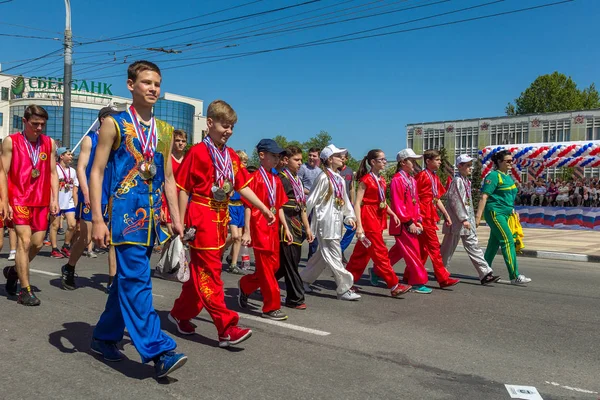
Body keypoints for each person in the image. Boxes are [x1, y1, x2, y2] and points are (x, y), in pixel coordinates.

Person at [90, 60, 186, 377]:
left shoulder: (165, 131)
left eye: (157, 83)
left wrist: (176, 217)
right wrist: (97, 218)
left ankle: (104, 337)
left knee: (126, 281)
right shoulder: (114, 124)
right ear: (131, 85)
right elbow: (97, 170)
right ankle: (158, 350)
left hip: (153, 219)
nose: (153, 88)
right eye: (146, 82)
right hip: (125, 214)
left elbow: (169, 178)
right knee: (138, 281)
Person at [170, 101, 273, 345]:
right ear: (210, 123)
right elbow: (182, 189)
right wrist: (181, 223)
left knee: (200, 273)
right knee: (211, 273)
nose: (229, 131)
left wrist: (263, 207)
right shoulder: (196, 152)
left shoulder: (231, 156)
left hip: (220, 218)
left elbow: (243, 186)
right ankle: (227, 327)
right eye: (225, 126)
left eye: (232, 127)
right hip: (201, 216)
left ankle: (179, 314)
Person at [2, 104, 58, 306]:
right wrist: (4, 200)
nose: (40, 128)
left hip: (41, 200)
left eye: (43, 124)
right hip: (18, 199)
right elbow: (3, 172)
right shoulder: (11, 142)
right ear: (24, 121)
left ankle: (13, 272)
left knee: (36, 243)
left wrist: (54, 199)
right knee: (24, 242)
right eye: (35, 124)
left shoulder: (49, 143)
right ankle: (25, 291)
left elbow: (52, 172)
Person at [61, 106, 118, 291]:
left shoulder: (117, 142)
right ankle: (69, 267)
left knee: (114, 239)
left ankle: (112, 280)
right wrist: (86, 193)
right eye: (113, 118)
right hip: (93, 194)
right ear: (103, 119)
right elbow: (81, 168)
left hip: (111, 193)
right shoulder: (89, 139)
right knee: (86, 237)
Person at [238, 139, 292, 320]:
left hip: (273, 229)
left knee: (273, 266)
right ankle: (271, 307)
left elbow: (280, 206)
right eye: (274, 156)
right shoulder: (254, 178)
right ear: (262, 156)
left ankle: (246, 285)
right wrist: (246, 231)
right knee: (268, 269)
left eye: (278, 156)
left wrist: (286, 227)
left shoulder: (275, 179)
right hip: (259, 228)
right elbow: (247, 205)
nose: (277, 160)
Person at [346, 149, 412, 297]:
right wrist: (360, 226)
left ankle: (346, 282)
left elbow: (382, 201)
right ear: (373, 162)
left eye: (384, 159)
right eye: (381, 159)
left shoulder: (381, 180)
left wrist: (393, 214)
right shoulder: (366, 180)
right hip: (369, 219)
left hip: (378, 217)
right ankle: (394, 284)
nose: (384, 162)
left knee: (360, 254)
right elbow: (357, 203)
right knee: (380, 253)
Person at [300, 144, 360, 301]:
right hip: (324, 223)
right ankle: (344, 288)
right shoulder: (323, 177)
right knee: (335, 255)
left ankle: (303, 280)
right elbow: (310, 201)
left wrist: (349, 216)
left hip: (336, 222)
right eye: (338, 155)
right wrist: (306, 223)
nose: (342, 158)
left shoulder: (339, 178)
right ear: (329, 159)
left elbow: (345, 201)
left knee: (321, 255)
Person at [440, 155, 500, 285]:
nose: (470, 168)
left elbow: (467, 202)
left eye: (470, 165)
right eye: (467, 165)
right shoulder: (457, 181)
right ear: (459, 166)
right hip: (457, 222)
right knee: (447, 249)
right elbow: (456, 201)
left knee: (473, 246)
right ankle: (440, 271)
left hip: (466, 222)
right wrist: (463, 219)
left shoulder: (466, 181)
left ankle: (485, 273)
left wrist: (471, 220)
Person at [475, 150, 532, 285]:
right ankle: (514, 276)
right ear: (499, 162)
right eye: (508, 161)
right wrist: (478, 217)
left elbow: (507, 197)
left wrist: (512, 210)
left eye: (512, 161)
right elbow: (484, 196)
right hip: (495, 213)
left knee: (493, 244)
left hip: (506, 213)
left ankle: (484, 272)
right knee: (507, 241)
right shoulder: (494, 176)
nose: (511, 163)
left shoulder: (507, 177)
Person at [388, 149, 432, 294]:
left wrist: (418, 219)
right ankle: (418, 281)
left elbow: (416, 202)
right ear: (402, 162)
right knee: (413, 251)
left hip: (412, 222)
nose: (414, 163)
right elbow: (397, 203)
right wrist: (408, 222)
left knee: (399, 251)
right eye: (411, 161)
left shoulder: (411, 180)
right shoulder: (397, 180)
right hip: (403, 224)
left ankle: (378, 270)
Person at [275, 146, 314, 309]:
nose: (300, 163)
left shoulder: (297, 179)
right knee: (291, 263)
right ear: (285, 160)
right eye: (296, 160)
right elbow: (279, 206)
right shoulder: (281, 179)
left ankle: (258, 284)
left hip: (297, 225)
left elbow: (302, 206)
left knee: (286, 264)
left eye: (300, 160)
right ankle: (295, 298)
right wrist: (285, 226)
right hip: (286, 225)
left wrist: (308, 227)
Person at [415, 150, 460, 288]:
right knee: (434, 247)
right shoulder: (421, 176)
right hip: (423, 215)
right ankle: (443, 278)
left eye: (440, 159)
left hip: (430, 214)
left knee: (422, 250)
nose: (440, 162)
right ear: (428, 161)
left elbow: (436, 198)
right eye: (437, 159)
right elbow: (414, 197)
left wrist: (446, 215)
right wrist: (416, 217)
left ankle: (407, 274)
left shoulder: (434, 177)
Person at [222, 150, 249, 275]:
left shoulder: (245, 174)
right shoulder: (230, 174)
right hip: (231, 205)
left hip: (240, 206)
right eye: (242, 162)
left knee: (237, 237)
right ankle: (221, 252)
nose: (244, 164)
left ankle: (232, 261)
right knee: (235, 236)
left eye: (245, 162)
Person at [49, 147, 78, 259]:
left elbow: (74, 188)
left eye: (71, 155)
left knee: (72, 225)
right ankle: (54, 249)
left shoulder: (73, 171)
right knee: (55, 225)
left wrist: (75, 202)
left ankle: (66, 246)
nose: (71, 157)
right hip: (57, 201)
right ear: (61, 156)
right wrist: (52, 201)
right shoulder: (54, 169)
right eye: (69, 154)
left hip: (69, 201)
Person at [161, 129, 187, 235]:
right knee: (171, 234)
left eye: (183, 141)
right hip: (168, 199)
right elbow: (162, 183)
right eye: (177, 140)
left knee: (180, 235)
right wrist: (162, 207)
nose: (180, 143)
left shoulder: (188, 159)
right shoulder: (167, 159)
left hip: (184, 201)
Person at [298, 147, 322, 259]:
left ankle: (311, 258)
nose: (311, 158)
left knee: (315, 231)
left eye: (314, 156)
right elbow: (297, 185)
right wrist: (312, 192)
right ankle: (294, 251)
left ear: (319, 158)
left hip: (316, 205)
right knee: (303, 230)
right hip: (305, 203)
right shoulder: (302, 168)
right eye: (310, 155)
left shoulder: (320, 171)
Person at [338, 153, 356, 263]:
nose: (341, 159)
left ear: (346, 159)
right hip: (336, 205)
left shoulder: (349, 171)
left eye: (342, 157)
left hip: (347, 205)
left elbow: (352, 188)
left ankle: (340, 249)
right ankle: (338, 255)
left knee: (352, 228)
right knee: (337, 232)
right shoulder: (333, 171)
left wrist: (352, 203)